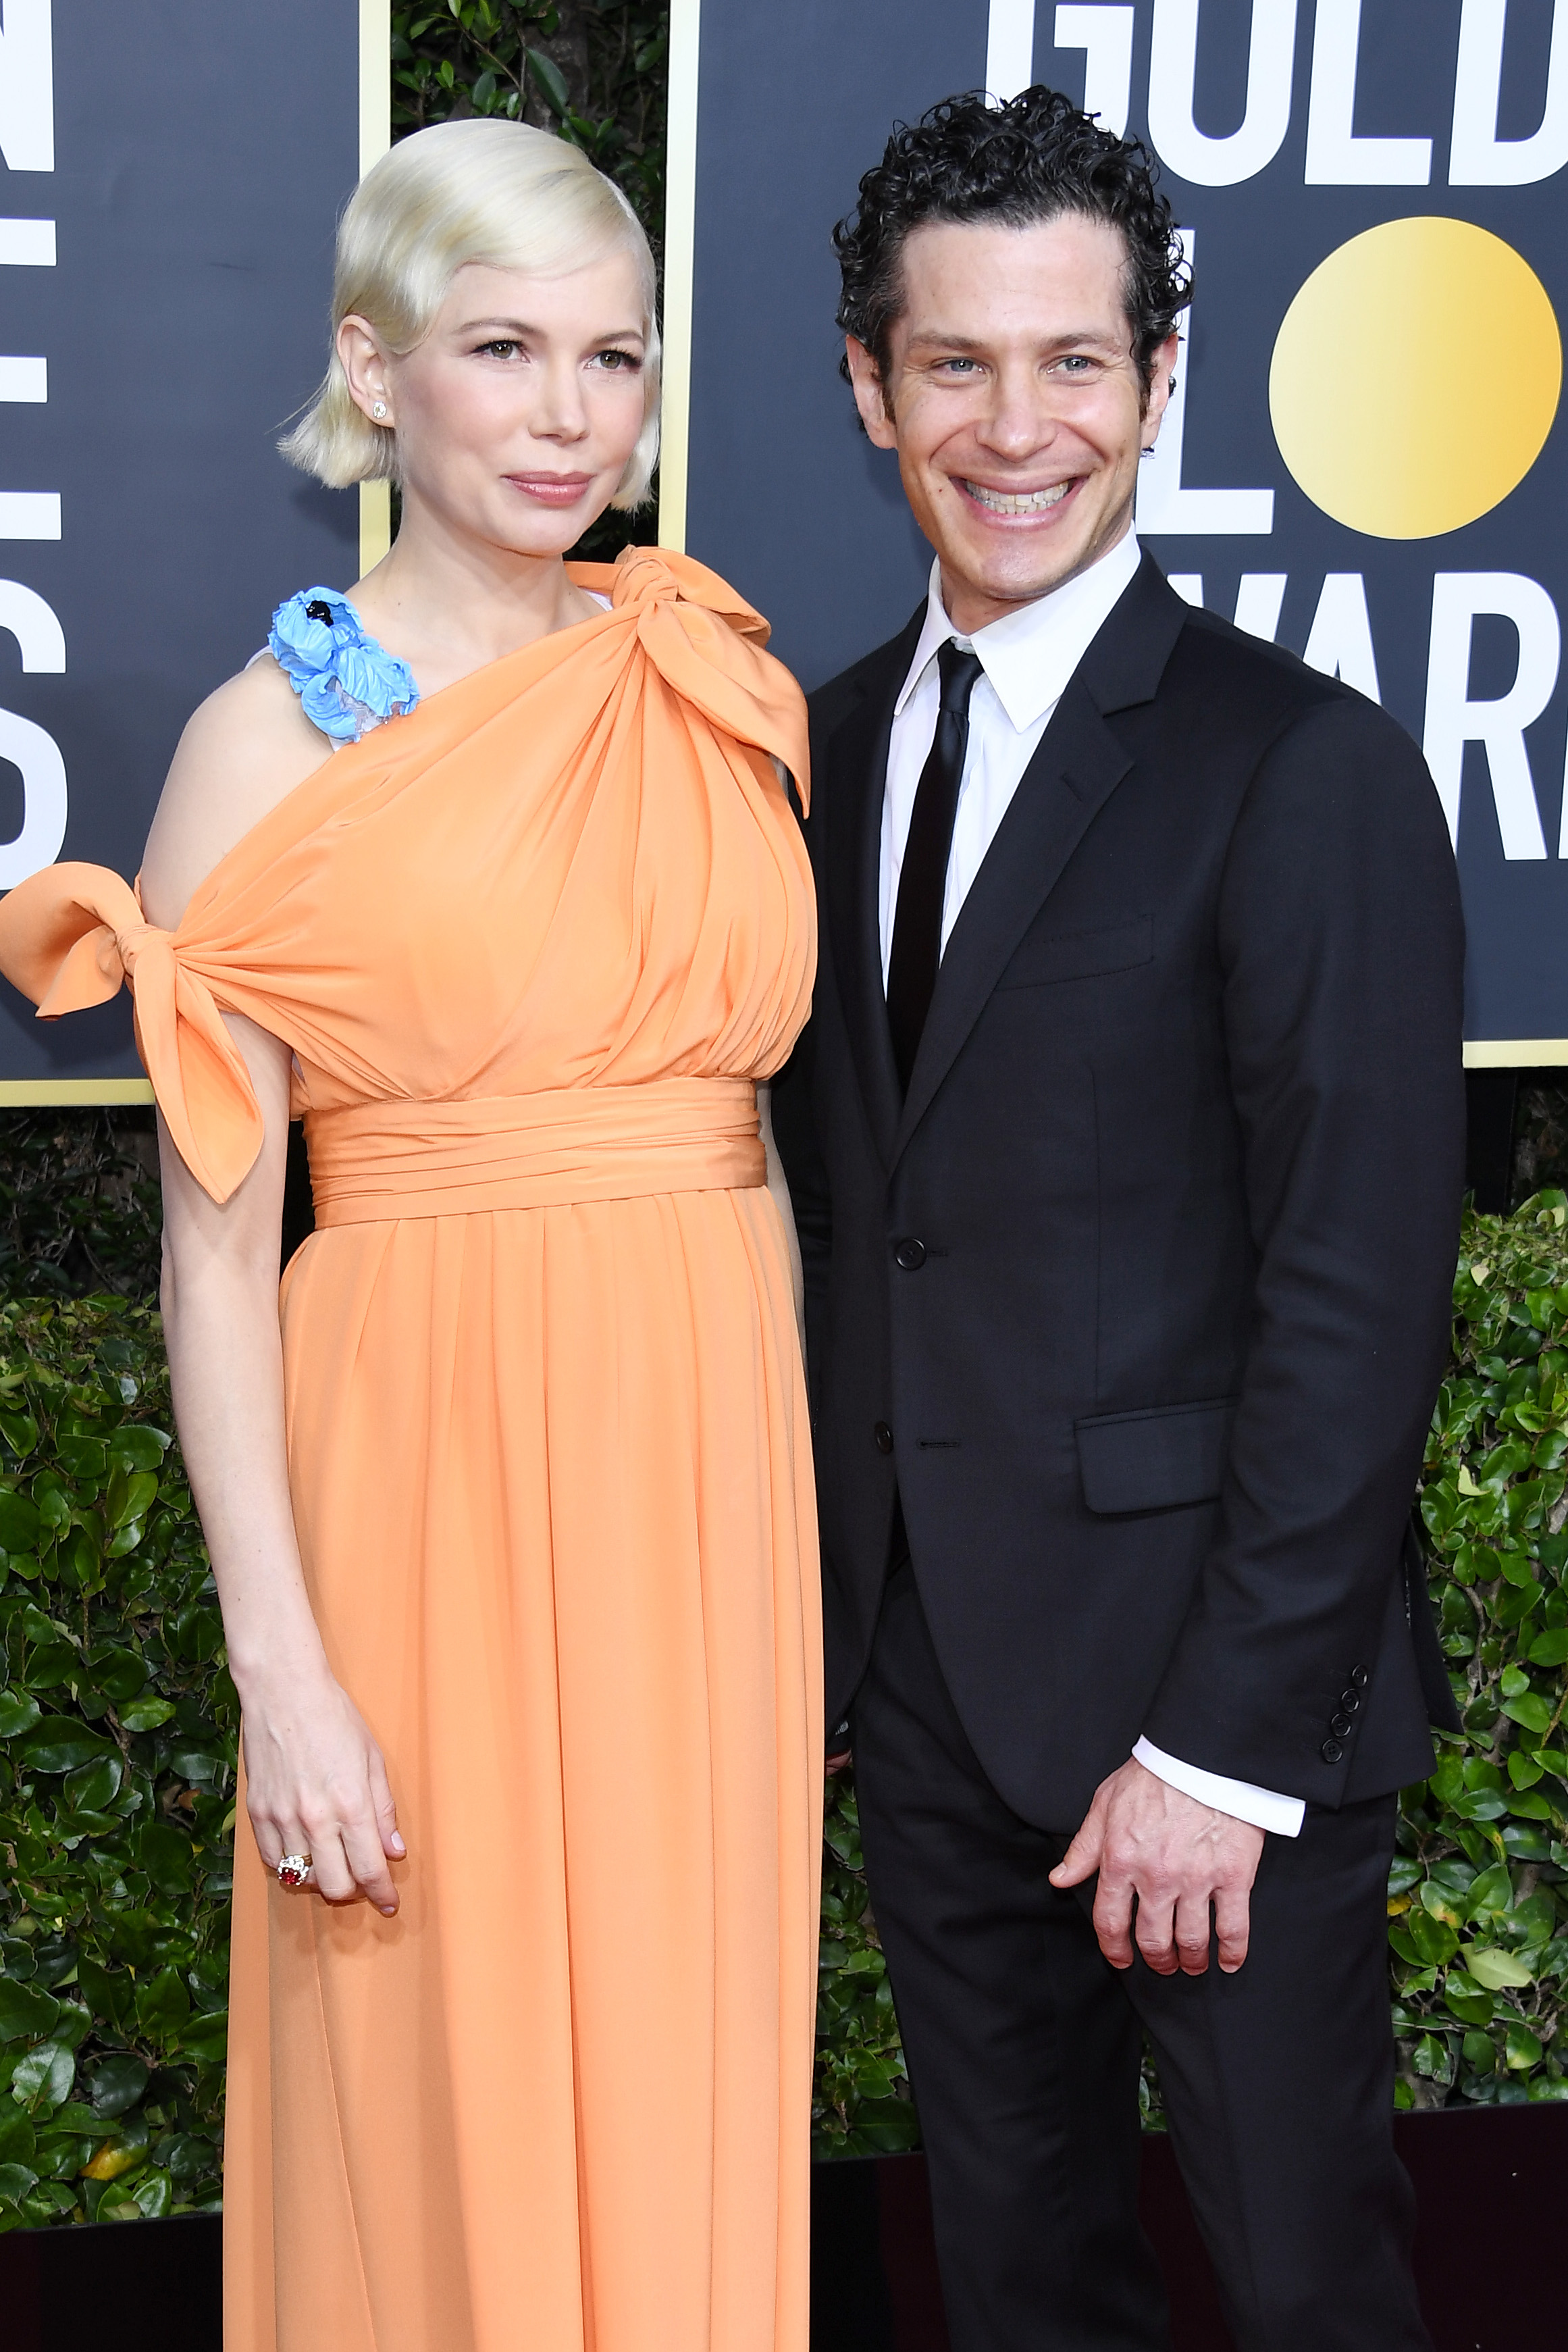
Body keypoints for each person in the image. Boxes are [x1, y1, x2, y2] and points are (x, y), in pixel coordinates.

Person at [0, 120, 821, 2352]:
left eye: (614, 358)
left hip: (707, 1490)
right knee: (432, 2087)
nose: (569, 414)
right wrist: (284, 1667)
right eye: (502, 349)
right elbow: (209, 1260)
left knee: (685, 2050)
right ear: (372, 369)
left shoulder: (702, 679)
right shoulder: (259, 753)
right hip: (428, 1487)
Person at [772, 86, 1465, 2352]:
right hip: (930, 1713)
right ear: (872, 386)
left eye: (1073, 361)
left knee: (1298, 2297)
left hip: (1210, 1733)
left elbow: (1354, 1300)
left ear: (1161, 384)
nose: (1015, 425)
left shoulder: (1298, 765)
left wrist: (1221, 1752)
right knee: (1022, 2294)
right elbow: (854, 1217)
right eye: (955, 363)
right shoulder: (825, 748)